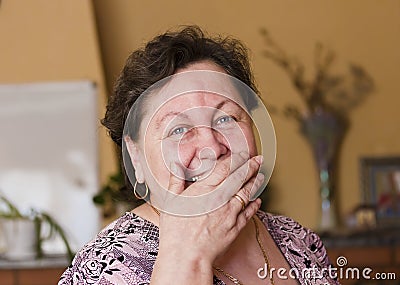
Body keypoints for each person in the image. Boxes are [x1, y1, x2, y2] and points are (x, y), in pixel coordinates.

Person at [59, 26, 340, 285]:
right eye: (179, 128)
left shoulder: (295, 239)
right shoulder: (107, 267)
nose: (212, 147)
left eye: (227, 118)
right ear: (136, 157)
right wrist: (187, 257)